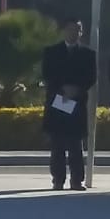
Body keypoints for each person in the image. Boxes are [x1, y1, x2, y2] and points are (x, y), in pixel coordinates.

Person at [41, 17, 96, 192]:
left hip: (77, 102)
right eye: (70, 29)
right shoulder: (51, 52)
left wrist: (76, 89)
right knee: (57, 143)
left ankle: (76, 180)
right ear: (64, 31)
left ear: (81, 32)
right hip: (57, 100)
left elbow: (91, 77)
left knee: (75, 143)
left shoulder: (88, 54)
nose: (73, 33)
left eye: (76, 30)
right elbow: (47, 74)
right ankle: (58, 179)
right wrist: (62, 89)